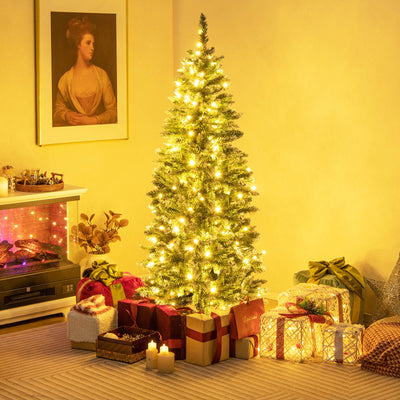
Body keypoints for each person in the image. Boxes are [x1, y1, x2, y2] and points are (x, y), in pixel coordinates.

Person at [53, 16, 117, 126]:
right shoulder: (65, 79)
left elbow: (114, 112)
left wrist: (93, 120)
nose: (92, 48)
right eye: (88, 43)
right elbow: (56, 112)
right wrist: (66, 115)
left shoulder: (101, 75)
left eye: (93, 43)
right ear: (78, 44)